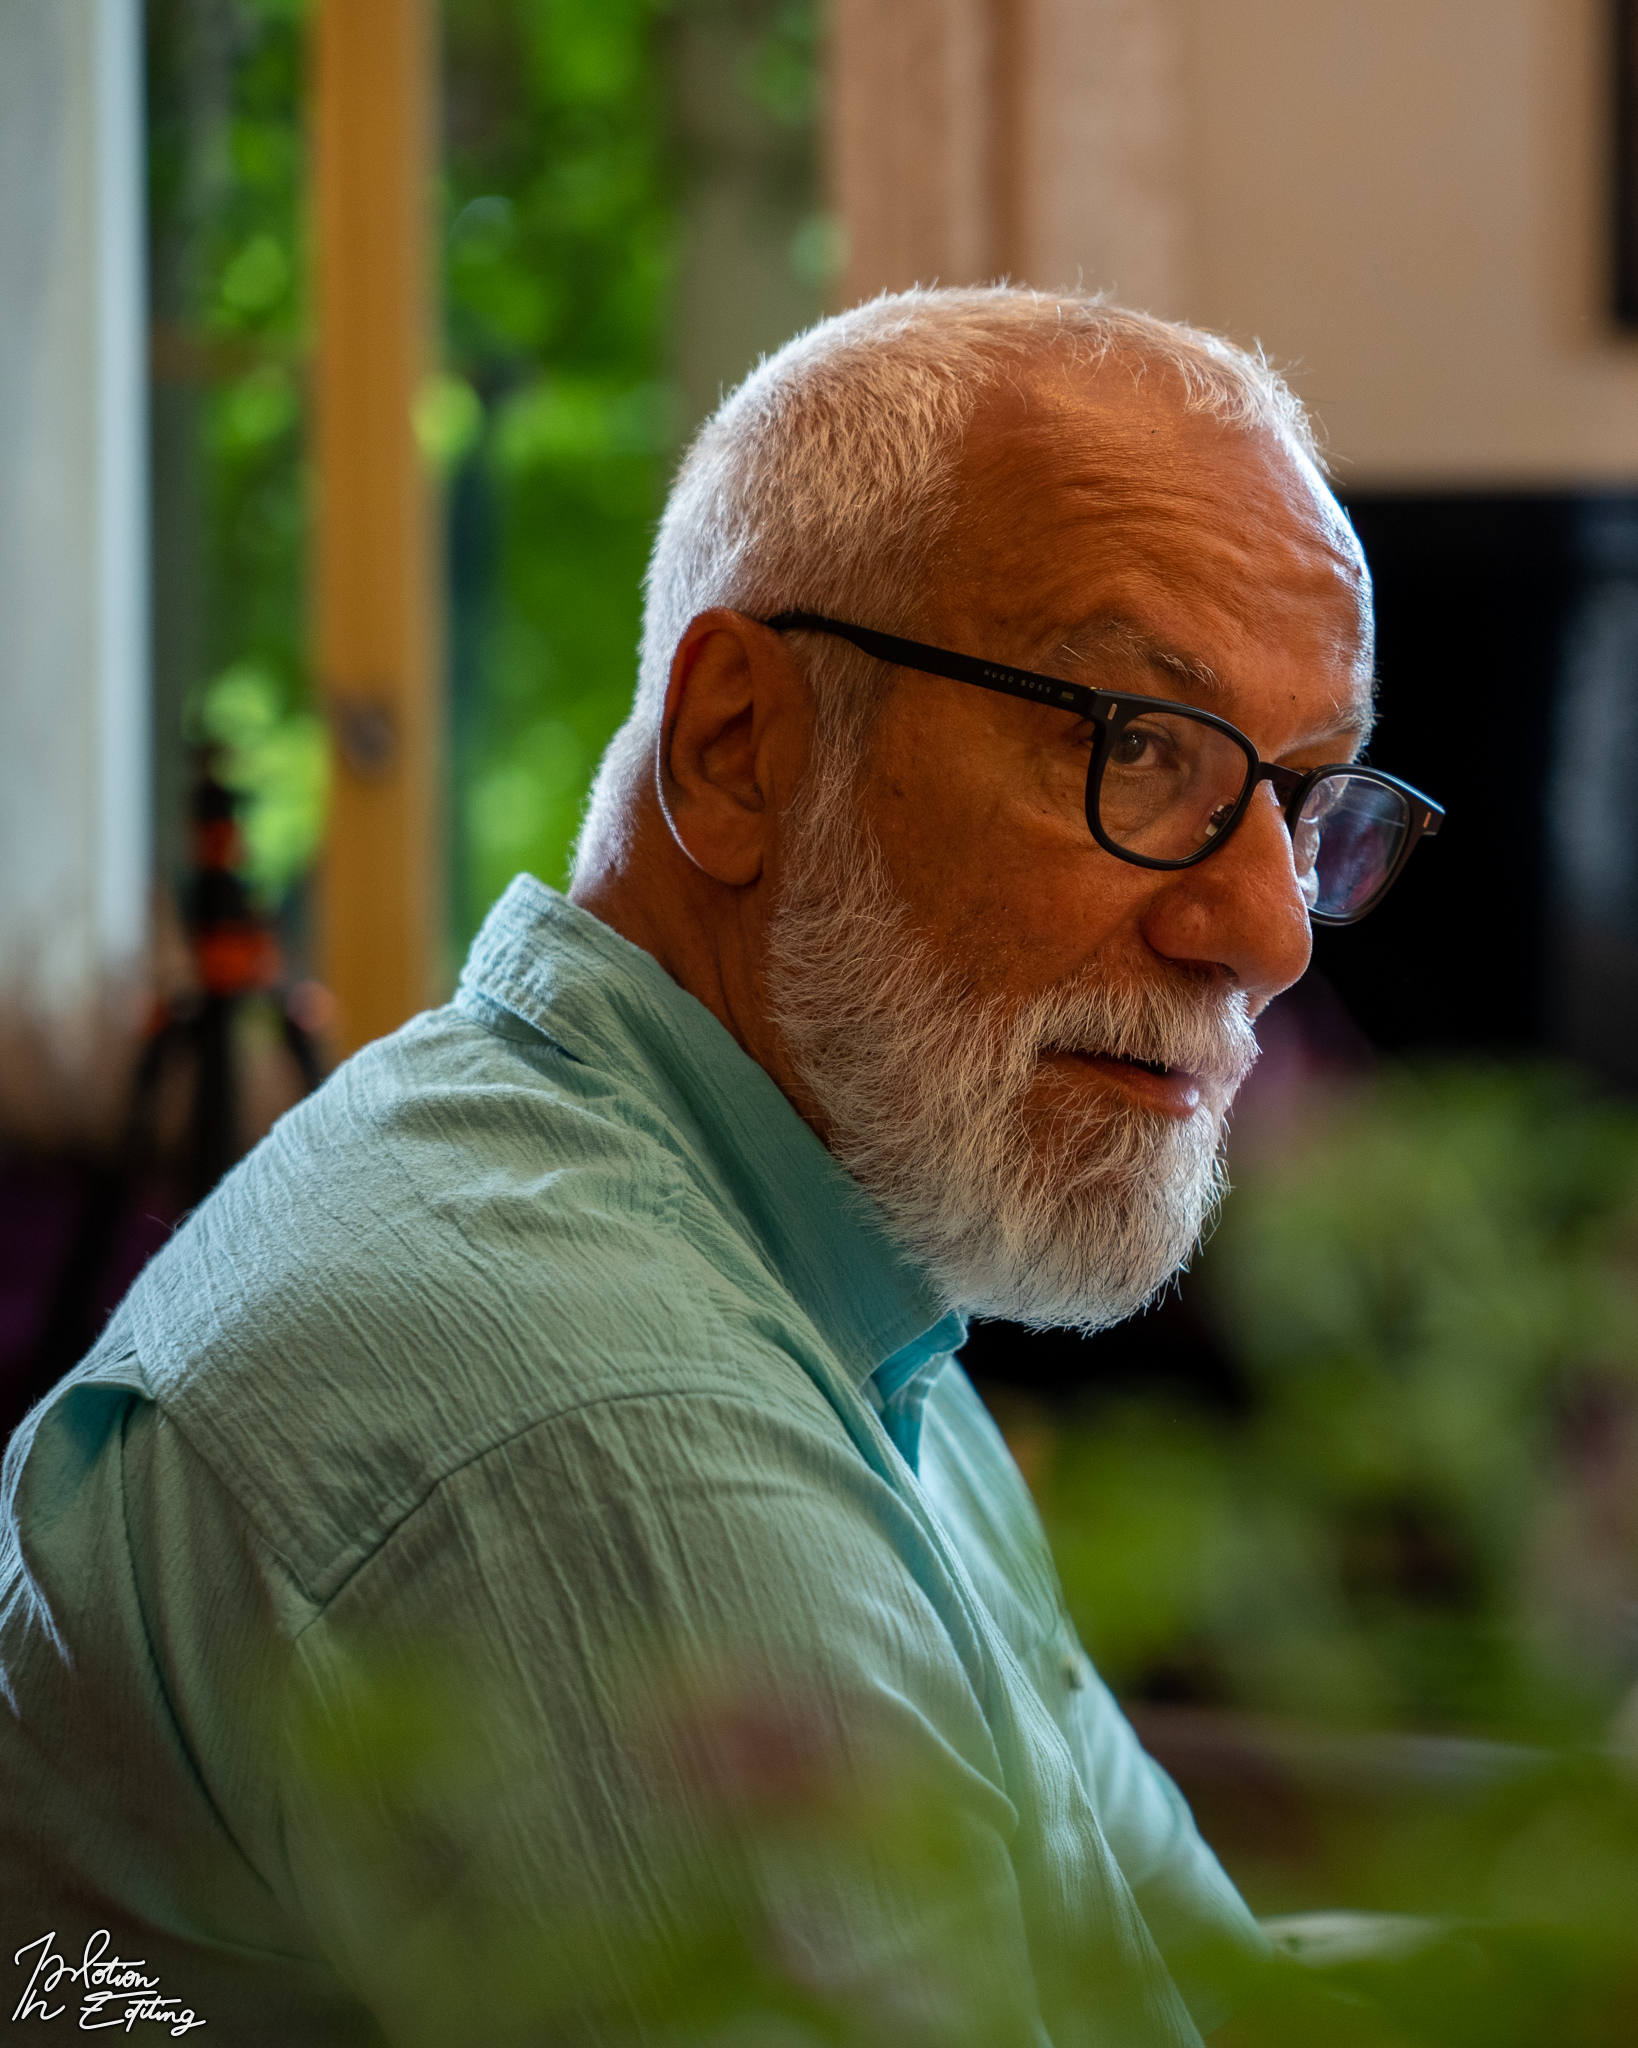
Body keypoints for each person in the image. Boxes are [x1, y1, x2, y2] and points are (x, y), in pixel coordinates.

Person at [0, 288, 1439, 2045]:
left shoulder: (808, 1257)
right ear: (738, 745)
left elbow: (1180, 1998)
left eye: (1306, 803)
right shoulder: (589, 1405)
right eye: (1135, 749)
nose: (1269, 933)